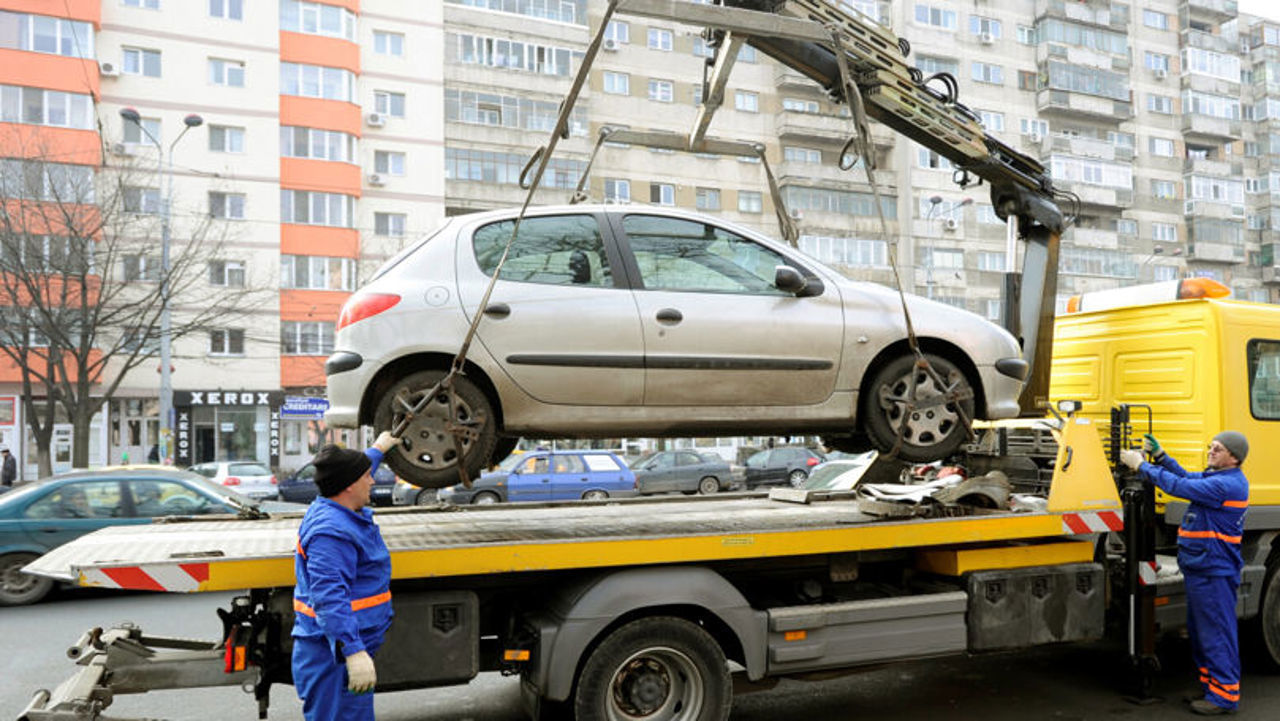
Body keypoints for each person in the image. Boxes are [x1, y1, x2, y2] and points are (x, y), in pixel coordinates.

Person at [1120, 431, 1249, 716]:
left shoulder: (1226, 485)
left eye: (1219, 449)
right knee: (1202, 632)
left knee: (1216, 633)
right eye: (1211, 447)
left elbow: (1178, 486)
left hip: (1213, 571)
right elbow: (1187, 478)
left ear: (1234, 457)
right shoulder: (1217, 478)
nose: (1211, 451)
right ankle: (1211, 688)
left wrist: (1141, 466)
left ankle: (1224, 696)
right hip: (1203, 568)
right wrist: (1162, 457)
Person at [292, 431, 401, 721]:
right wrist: (352, 651)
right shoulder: (332, 533)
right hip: (334, 655)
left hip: (337, 649)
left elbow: (353, 471)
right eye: (368, 476)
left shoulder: (335, 504)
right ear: (350, 486)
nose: (373, 480)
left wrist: (378, 449)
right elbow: (329, 597)